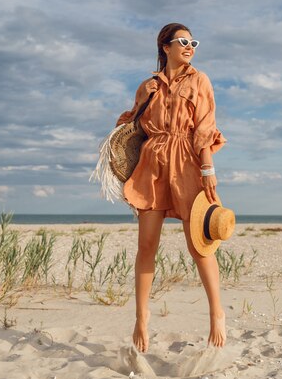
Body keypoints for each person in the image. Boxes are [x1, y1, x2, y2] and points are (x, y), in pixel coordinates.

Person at [115, 23, 227, 353]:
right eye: (183, 41)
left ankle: (216, 313)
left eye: (194, 41)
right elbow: (134, 126)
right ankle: (141, 318)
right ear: (166, 47)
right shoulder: (147, 86)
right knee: (146, 245)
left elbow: (205, 126)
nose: (190, 46)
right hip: (152, 165)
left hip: (188, 163)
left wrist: (207, 167)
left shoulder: (199, 80)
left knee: (200, 243)